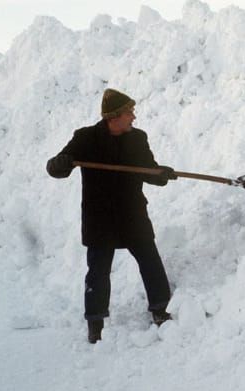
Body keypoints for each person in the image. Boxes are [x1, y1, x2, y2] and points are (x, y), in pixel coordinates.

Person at [46, 88, 177, 344]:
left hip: (132, 212)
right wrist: (58, 164)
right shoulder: (86, 138)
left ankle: (161, 309)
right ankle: (95, 323)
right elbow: (56, 167)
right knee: (98, 271)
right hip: (100, 217)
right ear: (114, 117)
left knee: (150, 261)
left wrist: (160, 174)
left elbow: (147, 170)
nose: (133, 117)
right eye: (129, 112)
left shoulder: (137, 138)